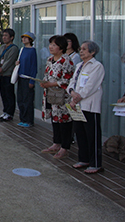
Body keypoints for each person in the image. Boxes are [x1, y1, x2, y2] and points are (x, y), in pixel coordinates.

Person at [68, 40, 105, 174]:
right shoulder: (79, 65)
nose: (81, 51)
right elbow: (72, 82)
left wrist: (77, 97)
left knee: (92, 135)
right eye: (80, 49)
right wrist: (71, 92)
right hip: (77, 104)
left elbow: (91, 86)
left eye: (84, 49)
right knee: (80, 133)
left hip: (90, 105)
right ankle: (83, 158)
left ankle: (95, 163)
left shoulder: (97, 66)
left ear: (92, 52)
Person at [40, 35, 75, 159]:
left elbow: (68, 79)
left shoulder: (66, 61)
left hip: (62, 96)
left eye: (54, 45)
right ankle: (56, 143)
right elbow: (47, 74)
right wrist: (44, 82)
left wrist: (53, 84)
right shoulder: (50, 59)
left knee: (64, 120)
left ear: (61, 47)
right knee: (55, 119)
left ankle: (65, 147)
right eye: (50, 44)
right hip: (50, 94)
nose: (51, 47)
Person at [0, 28, 19, 122]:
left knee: (9, 94)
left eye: (6, 36)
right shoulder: (2, 47)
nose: (4, 37)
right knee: (3, 94)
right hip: (1, 75)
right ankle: (5, 111)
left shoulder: (14, 48)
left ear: (11, 37)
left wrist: (1, 69)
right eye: (3, 35)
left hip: (8, 74)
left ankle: (10, 113)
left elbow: (9, 62)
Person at [16, 32, 38, 128]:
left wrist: (32, 80)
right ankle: (22, 118)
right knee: (20, 98)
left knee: (27, 100)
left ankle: (29, 120)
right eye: (23, 37)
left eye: (26, 38)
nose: (24, 39)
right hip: (20, 77)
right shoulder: (22, 50)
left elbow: (34, 66)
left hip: (28, 77)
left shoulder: (32, 51)